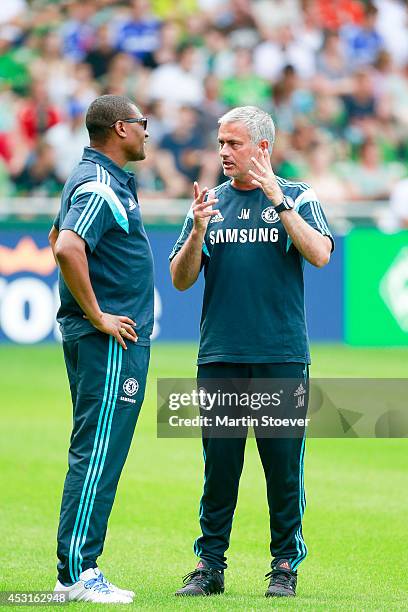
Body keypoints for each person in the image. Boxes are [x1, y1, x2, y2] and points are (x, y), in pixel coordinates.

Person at [169, 106, 334, 598]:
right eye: (221, 143)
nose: (223, 152)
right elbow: (180, 280)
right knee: (219, 467)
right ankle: (210, 565)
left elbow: (321, 254)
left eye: (233, 143)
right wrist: (198, 230)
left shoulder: (298, 196)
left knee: (282, 468)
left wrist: (278, 202)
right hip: (219, 355)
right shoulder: (209, 203)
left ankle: (284, 564)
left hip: (281, 355)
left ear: (262, 148)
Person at [48, 95, 154, 604]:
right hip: (110, 342)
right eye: (141, 124)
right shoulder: (100, 183)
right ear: (120, 129)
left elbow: (54, 234)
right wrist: (96, 315)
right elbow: (68, 245)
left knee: (95, 450)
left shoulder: (86, 177)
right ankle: (76, 574)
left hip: (103, 339)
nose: (147, 132)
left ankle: (77, 568)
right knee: (97, 454)